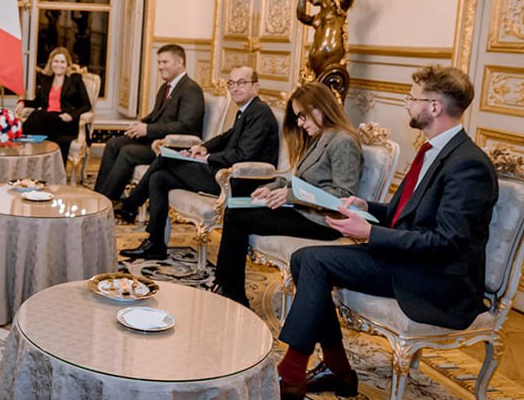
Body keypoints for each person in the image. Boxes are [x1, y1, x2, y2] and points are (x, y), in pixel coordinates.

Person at [277, 66, 498, 400]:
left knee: (315, 260)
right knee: (304, 257)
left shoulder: (469, 165)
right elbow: (406, 214)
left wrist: (370, 233)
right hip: (407, 260)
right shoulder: (431, 151)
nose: (408, 104)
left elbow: (446, 243)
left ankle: (292, 374)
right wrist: (368, 207)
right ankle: (336, 369)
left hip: (437, 280)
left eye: (413, 98)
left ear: (435, 107)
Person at [213, 82, 362, 307]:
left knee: (237, 217)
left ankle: (230, 293)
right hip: (304, 211)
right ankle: (226, 287)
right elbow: (298, 180)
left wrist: (290, 196)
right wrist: (273, 187)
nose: (300, 124)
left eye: (302, 117)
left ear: (319, 108)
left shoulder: (343, 141)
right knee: (235, 209)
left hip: (323, 222)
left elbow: (342, 195)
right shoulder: (321, 138)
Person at [117, 66, 279, 260]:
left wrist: (207, 158)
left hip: (237, 180)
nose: (235, 88)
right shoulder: (246, 110)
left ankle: (130, 204)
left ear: (256, 87)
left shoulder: (260, 112)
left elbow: (243, 155)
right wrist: (204, 147)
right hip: (224, 171)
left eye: (242, 83)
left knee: (165, 159)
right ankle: (155, 243)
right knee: (160, 177)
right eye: (232, 83)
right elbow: (227, 137)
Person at [93, 44, 205, 200]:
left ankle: (108, 199)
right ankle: (98, 196)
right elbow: (155, 115)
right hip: (155, 140)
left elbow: (186, 126)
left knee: (128, 152)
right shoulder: (166, 87)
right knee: (114, 144)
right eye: (159, 62)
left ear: (179, 62)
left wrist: (148, 129)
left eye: (165, 62)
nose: (160, 67)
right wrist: (140, 123)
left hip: (175, 148)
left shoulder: (191, 89)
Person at [14, 47, 92, 165]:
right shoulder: (46, 80)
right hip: (47, 120)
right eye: (56, 61)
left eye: (62, 62)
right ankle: (34, 163)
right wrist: (23, 102)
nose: (59, 65)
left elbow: (87, 105)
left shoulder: (75, 79)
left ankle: (17, 140)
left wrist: (71, 115)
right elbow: (38, 102)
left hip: (65, 122)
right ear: (51, 63)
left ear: (67, 65)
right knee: (40, 116)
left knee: (38, 115)